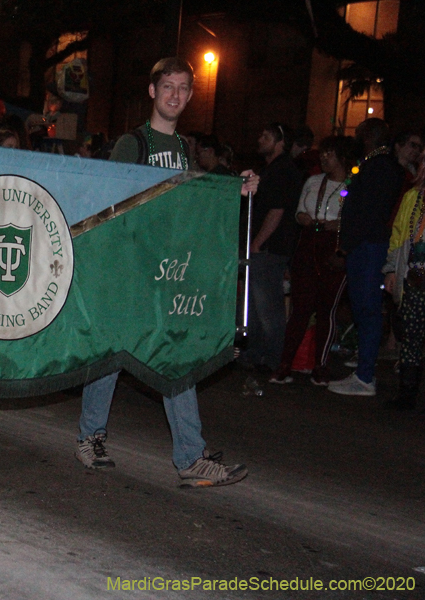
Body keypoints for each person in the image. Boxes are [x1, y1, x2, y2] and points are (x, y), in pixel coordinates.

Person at [75, 57, 256, 488]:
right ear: (153, 92)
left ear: (191, 96)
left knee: (171, 356)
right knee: (112, 355)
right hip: (128, 271)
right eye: (167, 87)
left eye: (183, 88)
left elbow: (188, 203)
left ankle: (189, 455)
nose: (175, 95)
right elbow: (112, 204)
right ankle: (91, 436)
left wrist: (234, 188)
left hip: (162, 273)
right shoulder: (131, 144)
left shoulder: (181, 149)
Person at [270, 135, 356, 386]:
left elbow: (356, 221)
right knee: (301, 307)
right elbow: (298, 211)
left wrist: (340, 227)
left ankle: (321, 365)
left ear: (342, 157)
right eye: (323, 153)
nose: (324, 158)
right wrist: (302, 218)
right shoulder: (313, 181)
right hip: (308, 244)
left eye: (329, 154)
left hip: (334, 246)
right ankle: (285, 363)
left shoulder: (353, 186)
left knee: (327, 310)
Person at [328, 119, 406, 396]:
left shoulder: (380, 167)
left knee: (368, 308)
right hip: (364, 244)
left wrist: (347, 245)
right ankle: (363, 366)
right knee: (363, 308)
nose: (356, 136)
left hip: (369, 246)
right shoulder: (370, 163)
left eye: (360, 132)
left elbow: (369, 212)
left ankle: (365, 376)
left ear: (369, 136)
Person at [240, 123, 303, 373]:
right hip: (262, 247)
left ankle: (272, 357)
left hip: (269, 248)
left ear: (280, 142)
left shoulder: (283, 171)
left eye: (265, 136)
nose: (260, 139)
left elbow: (277, 210)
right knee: (256, 306)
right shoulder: (271, 170)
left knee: (268, 308)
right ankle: (255, 355)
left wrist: (258, 242)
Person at [383, 154, 425, 410]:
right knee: (410, 335)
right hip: (415, 278)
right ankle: (407, 393)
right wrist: (391, 270)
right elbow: (398, 234)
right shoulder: (413, 197)